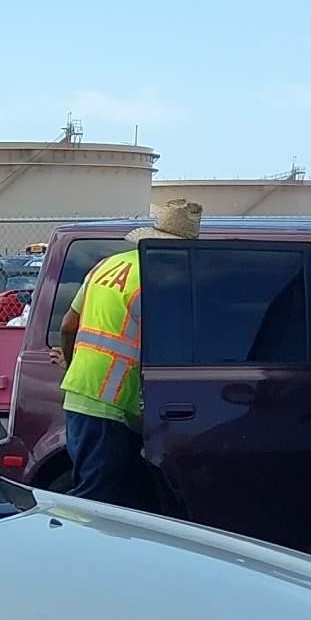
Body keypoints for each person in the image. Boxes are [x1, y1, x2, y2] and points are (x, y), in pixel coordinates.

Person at [56, 198, 201, 506]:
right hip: (113, 403)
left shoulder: (107, 266)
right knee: (95, 499)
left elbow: (68, 325)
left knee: (117, 497)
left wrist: (73, 365)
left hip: (81, 391)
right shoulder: (159, 280)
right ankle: (59, 547)